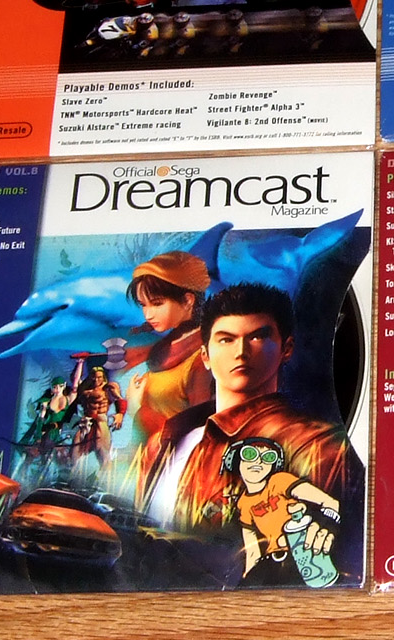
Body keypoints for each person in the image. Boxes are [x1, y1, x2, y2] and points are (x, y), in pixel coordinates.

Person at [131, 282, 358, 545]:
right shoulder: (163, 441)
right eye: (226, 339)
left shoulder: (318, 445)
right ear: (205, 356)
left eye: (257, 337)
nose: (241, 352)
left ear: (286, 349)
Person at [223, 435, 342, 586]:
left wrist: (326, 526)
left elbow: (329, 502)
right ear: (237, 461)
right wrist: (248, 582)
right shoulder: (244, 503)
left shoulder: (279, 481)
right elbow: (252, 551)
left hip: (304, 554)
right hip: (274, 564)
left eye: (268, 457)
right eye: (250, 454)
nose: (258, 461)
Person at [121, 249, 214, 441]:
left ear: (188, 300)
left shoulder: (202, 358)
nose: (148, 315)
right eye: (143, 305)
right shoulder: (161, 343)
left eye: (157, 304)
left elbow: (199, 433)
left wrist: (137, 409)